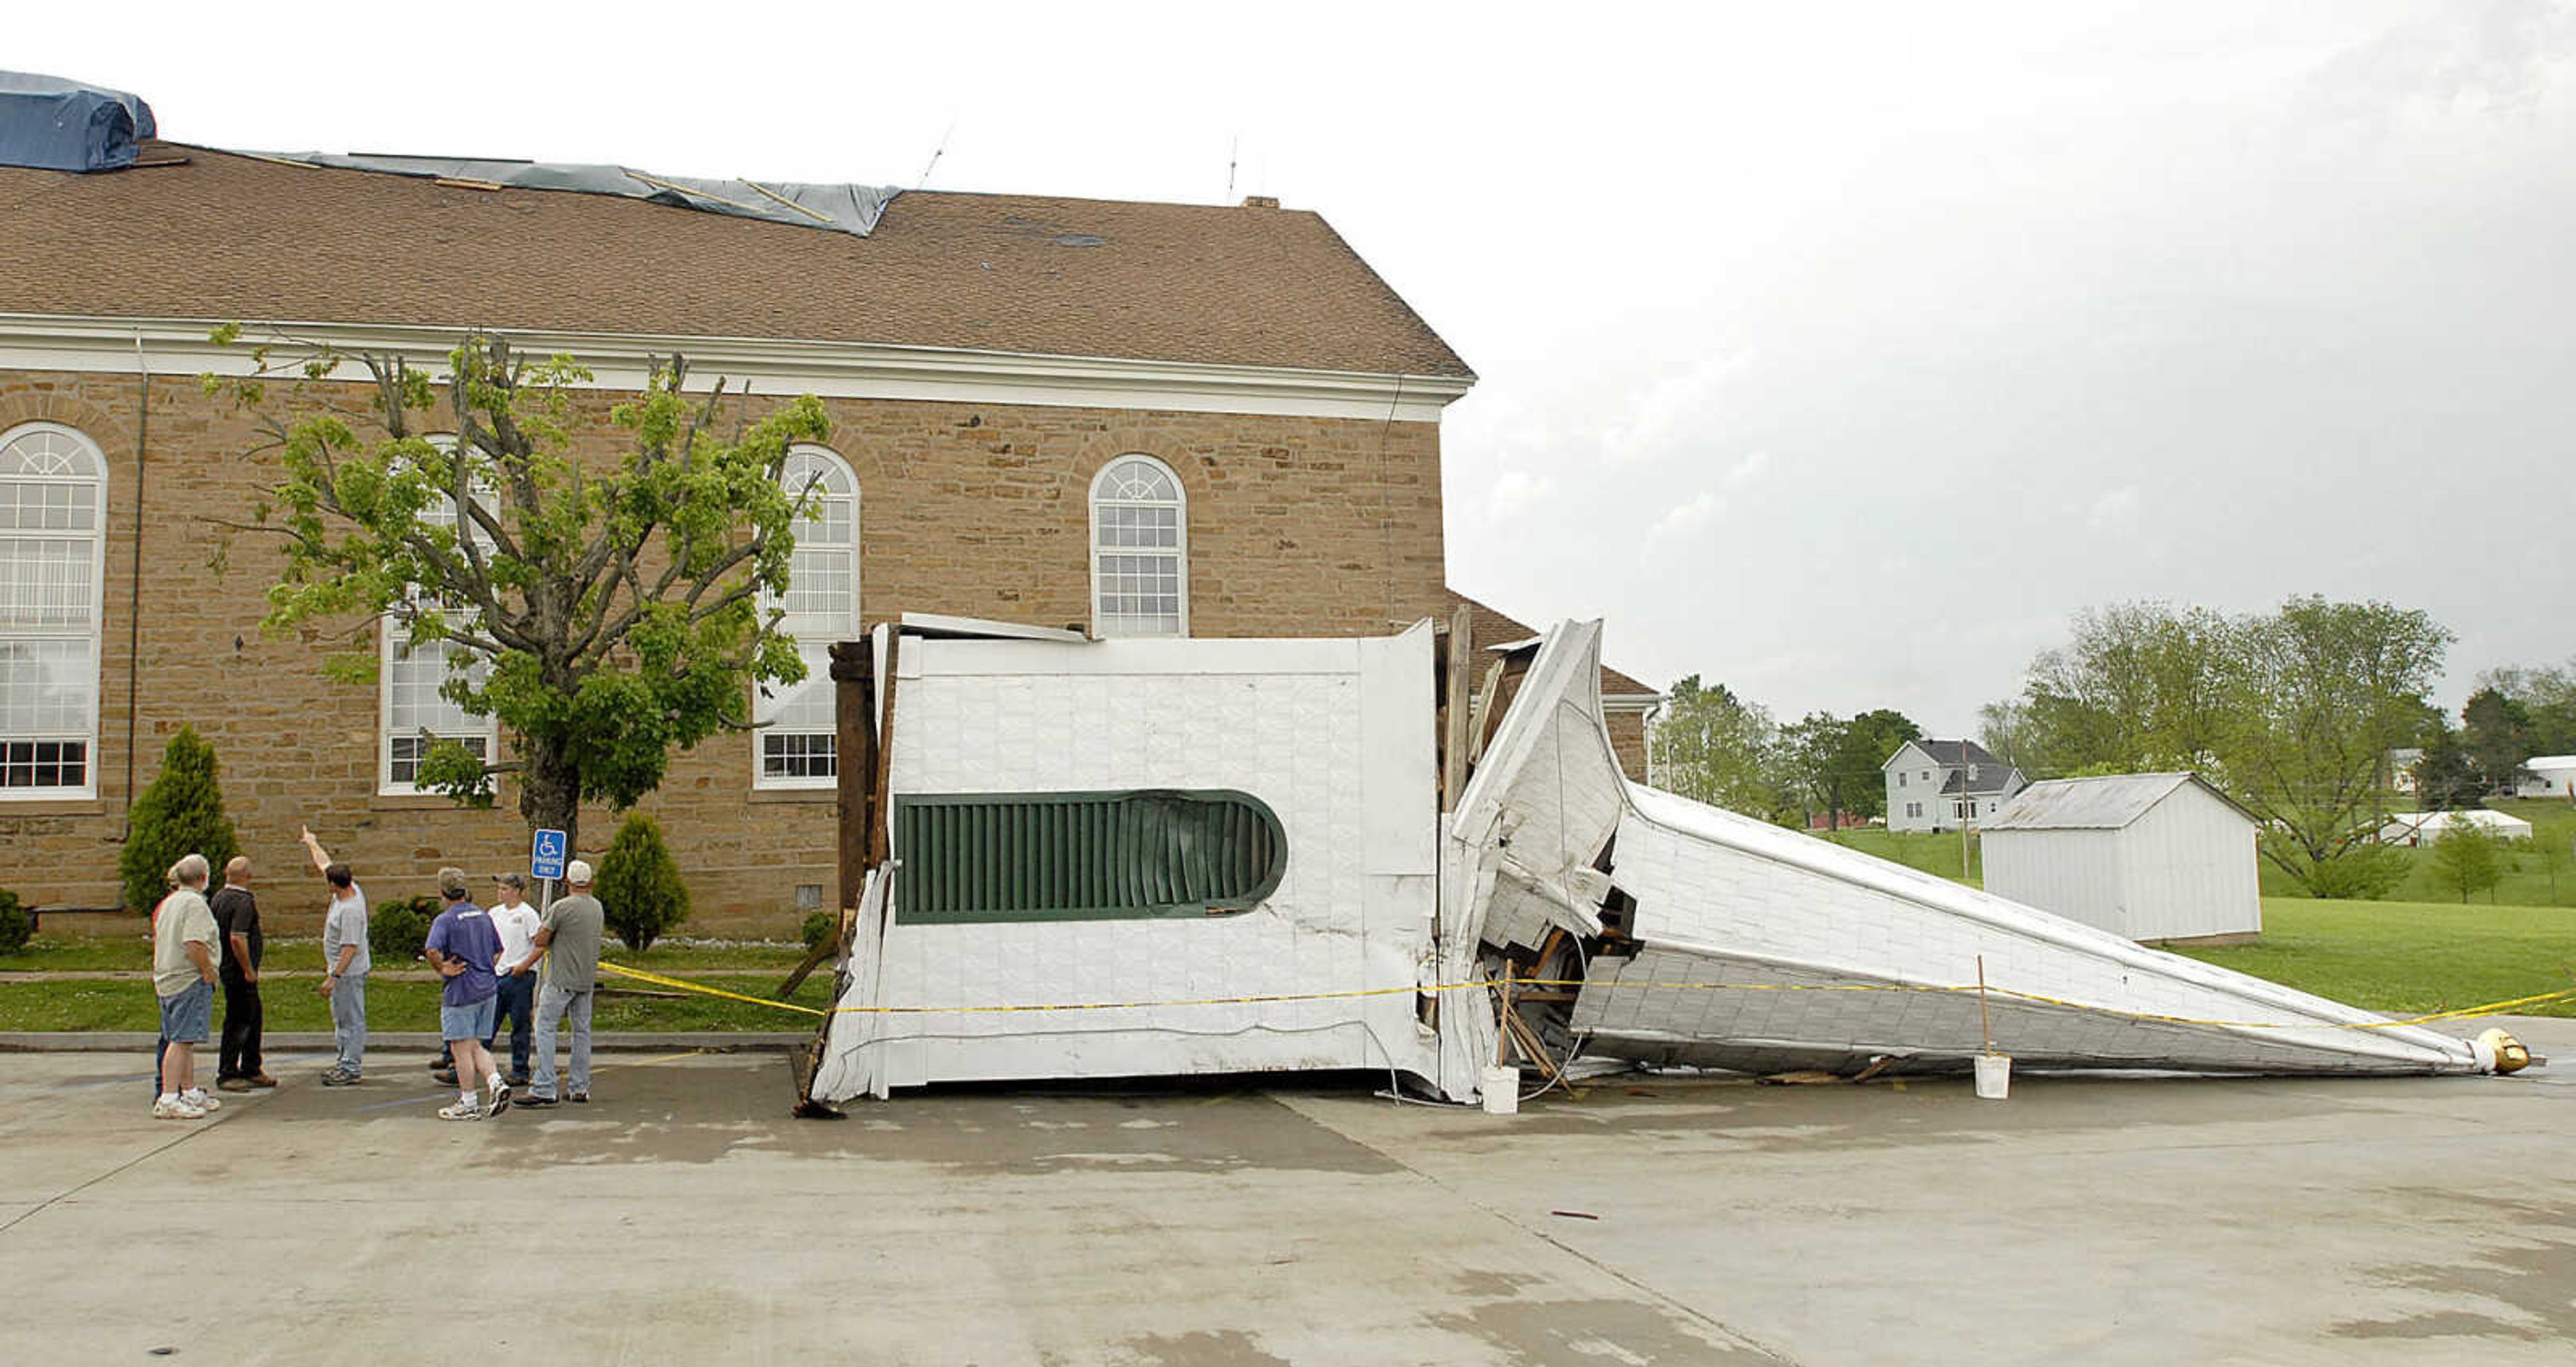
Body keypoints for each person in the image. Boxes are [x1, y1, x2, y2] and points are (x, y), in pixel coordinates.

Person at [422, 867, 511, 1120]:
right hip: (487, 988)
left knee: (460, 1049)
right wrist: (485, 967)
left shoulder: (446, 920)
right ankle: (495, 1081)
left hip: (462, 990)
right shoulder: (483, 915)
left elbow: (431, 949)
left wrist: (443, 967)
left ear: (443, 893)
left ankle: (468, 1101)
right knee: (475, 1046)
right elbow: (498, 950)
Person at [518, 859, 604, 1108]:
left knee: (545, 1027)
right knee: (582, 1033)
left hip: (560, 979)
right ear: (590, 882)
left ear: (567, 882)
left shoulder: (562, 907)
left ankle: (545, 1085)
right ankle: (579, 1087)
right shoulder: (597, 907)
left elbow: (542, 938)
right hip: (585, 979)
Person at [151, 855, 224, 1120]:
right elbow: (194, 943)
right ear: (204, 878)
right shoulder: (194, 904)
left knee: (185, 1038)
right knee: (181, 1040)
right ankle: (169, 1097)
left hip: (167, 976)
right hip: (187, 978)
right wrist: (208, 970)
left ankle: (188, 1090)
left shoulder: (170, 903)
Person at [302, 826, 369, 1085]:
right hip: (342, 971)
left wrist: (334, 977)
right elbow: (324, 863)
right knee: (341, 1018)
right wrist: (312, 842)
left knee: (350, 1019)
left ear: (334, 885)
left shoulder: (350, 910)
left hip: (348, 974)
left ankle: (350, 1067)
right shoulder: (351, 888)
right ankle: (344, 1061)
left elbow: (349, 948)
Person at [210, 856, 273, 1092]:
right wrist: (248, 968)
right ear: (248, 877)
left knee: (253, 1016)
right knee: (239, 1021)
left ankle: (251, 1067)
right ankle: (228, 1072)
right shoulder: (243, 901)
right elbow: (238, 937)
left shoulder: (219, 898)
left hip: (225, 966)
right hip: (238, 971)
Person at [486, 873, 541, 1087]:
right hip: (497, 974)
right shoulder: (494, 913)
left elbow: (539, 944)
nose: (501, 893)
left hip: (519, 975)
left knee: (520, 1024)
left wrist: (524, 966)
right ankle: (472, 1064)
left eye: (505, 889)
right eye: (499, 889)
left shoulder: (528, 915)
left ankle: (520, 1069)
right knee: (488, 1023)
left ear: (517, 891)